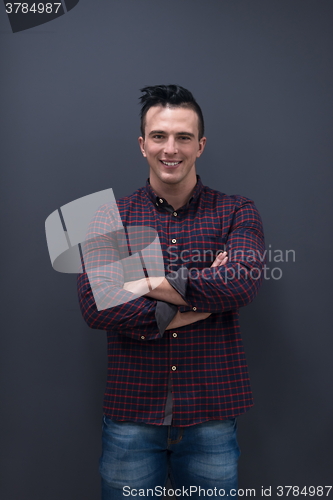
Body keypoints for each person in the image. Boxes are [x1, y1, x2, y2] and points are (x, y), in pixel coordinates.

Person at [77, 84, 265, 499]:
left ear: (200, 145)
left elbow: (242, 281)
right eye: (159, 136)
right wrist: (199, 303)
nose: (171, 148)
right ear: (142, 145)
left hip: (211, 412)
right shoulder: (106, 218)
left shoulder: (237, 210)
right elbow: (96, 304)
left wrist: (148, 284)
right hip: (131, 414)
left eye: (183, 137)